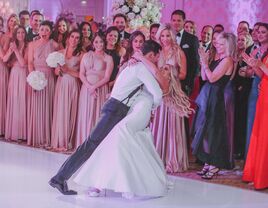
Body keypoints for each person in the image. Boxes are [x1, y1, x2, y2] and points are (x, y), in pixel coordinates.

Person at [49, 40, 168, 195]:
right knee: (90, 145)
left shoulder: (132, 66)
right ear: (151, 55)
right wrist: (153, 106)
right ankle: (59, 178)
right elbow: (158, 93)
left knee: (97, 145)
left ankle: (87, 181)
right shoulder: (140, 68)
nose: (157, 61)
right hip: (116, 110)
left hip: (114, 107)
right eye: (157, 57)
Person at [191, 32, 236, 179]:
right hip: (208, 95)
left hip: (217, 98)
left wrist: (204, 63)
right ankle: (208, 161)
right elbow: (204, 77)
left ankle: (215, 164)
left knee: (214, 131)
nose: (218, 45)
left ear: (228, 45)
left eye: (222, 44)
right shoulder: (217, 57)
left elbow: (212, 78)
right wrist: (203, 62)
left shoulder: (228, 60)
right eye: (217, 42)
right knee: (205, 130)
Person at [75, 32, 113, 147]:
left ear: (104, 43)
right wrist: (88, 86)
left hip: (99, 89)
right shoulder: (86, 55)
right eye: (96, 42)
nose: (98, 44)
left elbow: (107, 77)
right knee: (85, 113)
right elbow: (81, 74)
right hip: (86, 89)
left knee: (97, 115)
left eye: (101, 42)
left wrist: (94, 87)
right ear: (93, 43)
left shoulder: (108, 58)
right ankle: (83, 143)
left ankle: (95, 145)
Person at [50, 29, 83, 151]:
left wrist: (68, 70)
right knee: (60, 110)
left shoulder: (81, 55)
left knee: (70, 111)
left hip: (73, 84)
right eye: (72, 36)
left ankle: (67, 141)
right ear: (68, 38)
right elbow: (55, 72)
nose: (74, 39)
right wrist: (58, 70)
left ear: (79, 40)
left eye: (77, 38)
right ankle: (58, 141)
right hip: (61, 83)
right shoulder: (59, 53)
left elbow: (81, 75)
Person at [27, 21, 59, 147]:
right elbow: (30, 62)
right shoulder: (32, 45)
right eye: (42, 29)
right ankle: (36, 137)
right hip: (36, 76)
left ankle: (46, 138)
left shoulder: (55, 45)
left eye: (47, 30)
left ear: (50, 32)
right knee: (36, 106)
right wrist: (33, 77)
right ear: (38, 30)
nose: (44, 32)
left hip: (49, 77)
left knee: (48, 105)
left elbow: (60, 61)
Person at [242, 51, 268, 190]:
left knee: (265, 136)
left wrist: (261, 65)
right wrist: (255, 66)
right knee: (260, 136)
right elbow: (263, 74)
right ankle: (258, 174)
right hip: (263, 95)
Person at [4, 26, 28, 141]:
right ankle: (14, 132)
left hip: (23, 74)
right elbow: (4, 59)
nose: (20, 34)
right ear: (15, 34)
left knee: (22, 101)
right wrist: (11, 50)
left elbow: (23, 63)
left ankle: (23, 133)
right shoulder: (12, 45)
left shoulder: (28, 46)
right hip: (14, 74)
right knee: (14, 100)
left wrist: (16, 51)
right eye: (18, 32)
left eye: (23, 32)